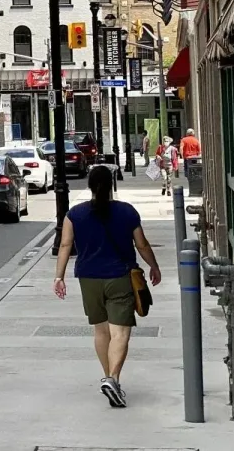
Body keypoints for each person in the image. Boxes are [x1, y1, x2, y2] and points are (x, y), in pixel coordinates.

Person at [54, 166, 162, 408]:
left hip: (88, 278)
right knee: (120, 333)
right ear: (111, 184)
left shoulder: (74, 215)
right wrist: (154, 266)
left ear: (90, 185)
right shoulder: (127, 212)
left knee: (101, 331)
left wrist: (58, 277)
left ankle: (109, 379)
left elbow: (65, 245)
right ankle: (112, 378)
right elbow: (142, 244)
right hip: (120, 277)